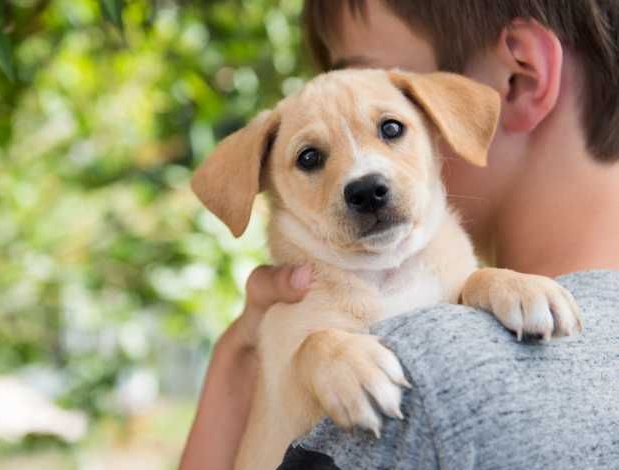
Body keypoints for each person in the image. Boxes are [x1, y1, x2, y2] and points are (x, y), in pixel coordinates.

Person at [179, 1, 619, 469]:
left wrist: (484, 283)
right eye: (310, 158)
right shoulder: (298, 319)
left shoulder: (433, 381)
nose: (362, 177)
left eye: (390, 129)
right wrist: (299, 354)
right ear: (266, 178)